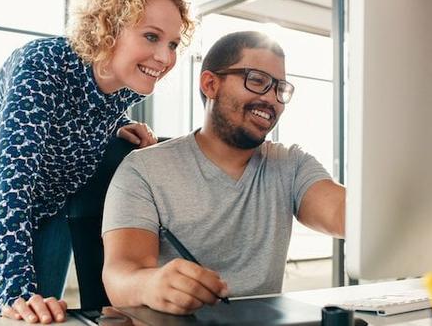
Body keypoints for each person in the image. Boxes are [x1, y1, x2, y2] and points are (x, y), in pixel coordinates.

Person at [0, 0, 194, 322]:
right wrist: (15, 291)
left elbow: (80, 110)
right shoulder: (41, 67)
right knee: (6, 315)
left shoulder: (126, 87)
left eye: (173, 43)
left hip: (53, 201)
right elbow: (13, 186)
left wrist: (117, 123)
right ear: (109, 28)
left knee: (48, 315)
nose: (165, 57)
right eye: (151, 36)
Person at [101, 31, 346, 315]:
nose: (272, 100)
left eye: (280, 89)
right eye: (257, 81)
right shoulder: (143, 169)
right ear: (210, 84)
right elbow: (121, 276)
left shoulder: (291, 163)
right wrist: (151, 284)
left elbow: (345, 213)